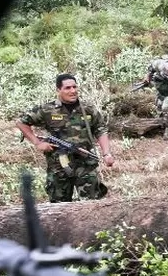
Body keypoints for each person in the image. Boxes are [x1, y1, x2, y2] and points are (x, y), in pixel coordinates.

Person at [15, 73, 114, 202]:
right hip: (58, 167)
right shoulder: (47, 110)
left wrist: (106, 154)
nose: (73, 91)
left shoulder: (88, 109)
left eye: (74, 87)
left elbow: (100, 129)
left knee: (92, 205)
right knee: (58, 206)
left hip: (85, 165)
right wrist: (37, 143)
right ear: (58, 90)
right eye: (67, 88)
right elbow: (21, 122)